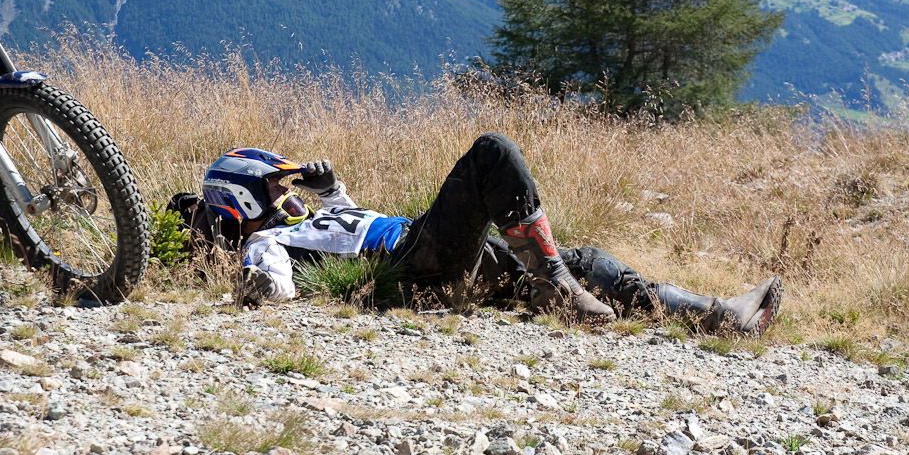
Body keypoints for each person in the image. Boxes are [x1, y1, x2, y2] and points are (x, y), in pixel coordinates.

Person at [179, 132, 781, 334]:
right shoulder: (266, 244)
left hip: (424, 251)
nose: (286, 192)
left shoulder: (301, 225)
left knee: (592, 262)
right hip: (414, 261)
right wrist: (258, 284)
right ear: (242, 199)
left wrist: (329, 187)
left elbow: (347, 225)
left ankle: (721, 317)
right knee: (492, 154)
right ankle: (556, 285)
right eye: (275, 186)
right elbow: (278, 285)